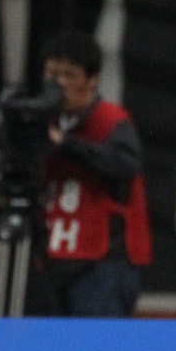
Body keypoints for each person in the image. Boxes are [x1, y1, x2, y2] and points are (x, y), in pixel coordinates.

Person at [39, 31, 151, 317]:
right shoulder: (42, 122)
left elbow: (126, 164)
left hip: (103, 260)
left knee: (95, 339)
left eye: (70, 75)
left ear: (92, 80)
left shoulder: (112, 121)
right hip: (55, 254)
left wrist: (68, 145)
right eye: (52, 74)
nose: (60, 84)